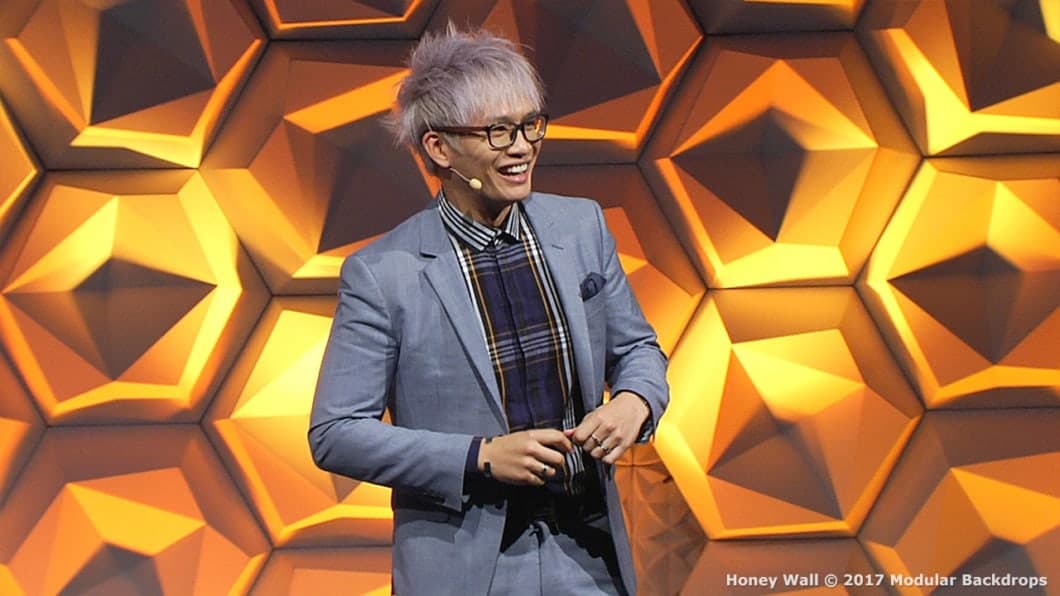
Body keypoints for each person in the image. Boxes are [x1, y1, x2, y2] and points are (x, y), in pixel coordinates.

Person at [309, 25, 668, 596]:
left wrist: (635, 401)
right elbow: (336, 433)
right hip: (469, 569)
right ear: (439, 148)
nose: (522, 147)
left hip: (589, 550)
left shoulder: (580, 226)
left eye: (530, 125)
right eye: (498, 132)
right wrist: (478, 457)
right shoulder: (384, 274)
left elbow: (638, 350)